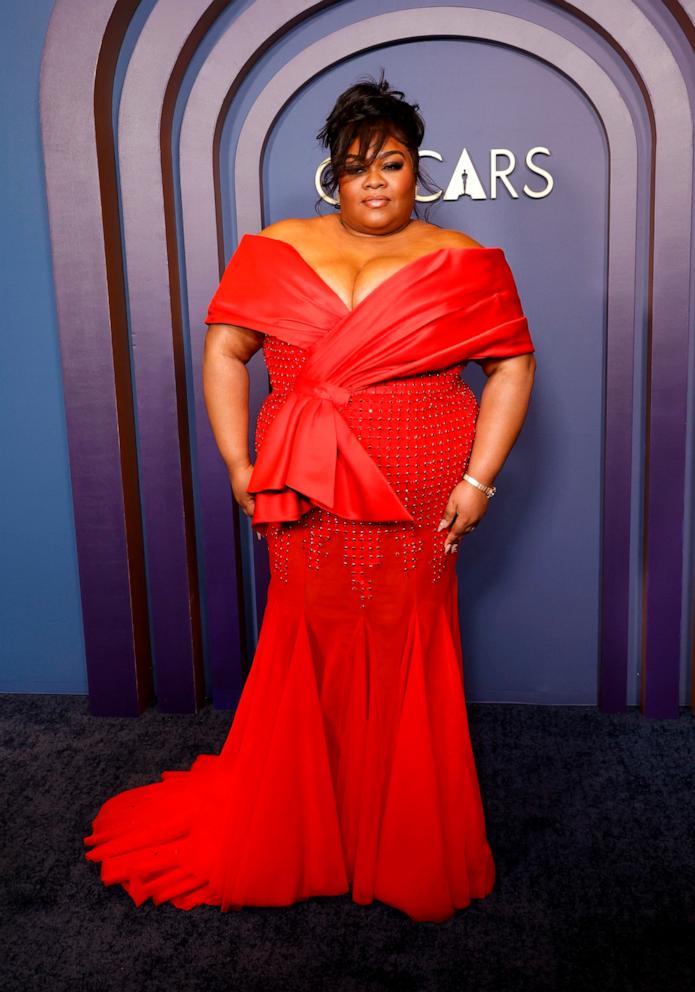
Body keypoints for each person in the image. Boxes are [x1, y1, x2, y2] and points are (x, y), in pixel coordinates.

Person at [83, 73, 536, 923]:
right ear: (333, 174)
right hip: (303, 491)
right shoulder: (279, 247)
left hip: (420, 495)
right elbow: (225, 352)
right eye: (356, 163)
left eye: (392, 163)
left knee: (408, 641)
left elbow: (512, 365)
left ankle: (393, 837)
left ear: (415, 172)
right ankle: (305, 827)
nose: (375, 179)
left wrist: (477, 479)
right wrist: (234, 461)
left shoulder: (459, 257)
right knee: (308, 639)